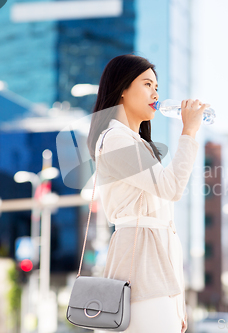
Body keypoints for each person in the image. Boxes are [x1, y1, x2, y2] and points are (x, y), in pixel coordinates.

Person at [86, 54, 209, 333]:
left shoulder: (135, 142)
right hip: (139, 270)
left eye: (157, 87)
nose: (155, 93)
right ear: (122, 89)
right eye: (147, 84)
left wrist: (177, 301)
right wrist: (188, 131)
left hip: (155, 272)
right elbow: (172, 188)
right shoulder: (115, 139)